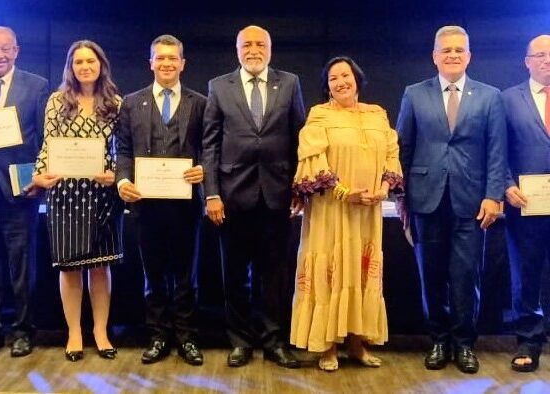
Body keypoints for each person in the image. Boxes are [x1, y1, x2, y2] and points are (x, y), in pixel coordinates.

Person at [396, 25, 507, 374]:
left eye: (459, 50)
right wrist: (401, 197)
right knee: (431, 275)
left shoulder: (490, 96)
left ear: (469, 56)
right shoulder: (414, 94)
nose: (453, 55)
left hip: (472, 203)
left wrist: (493, 195)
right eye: (446, 50)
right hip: (425, 200)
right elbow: (403, 148)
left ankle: (464, 344)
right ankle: (439, 341)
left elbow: (497, 151)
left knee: (465, 276)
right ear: (435, 56)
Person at [289, 56, 403, 371]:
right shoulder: (319, 115)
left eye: (346, 75)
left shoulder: (377, 114)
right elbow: (312, 160)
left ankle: (356, 343)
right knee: (332, 269)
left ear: (357, 79)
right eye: (334, 78)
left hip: (367, 211)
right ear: (327, 86)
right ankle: (327, 345)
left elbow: (392, 153)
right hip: (331, 210)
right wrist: (343, 192)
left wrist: (383, 188)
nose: (341, 82)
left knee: (360, 271)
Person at [202, 25, 305, 368]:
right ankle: (240, 342)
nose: (254, 50)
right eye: (247, 44)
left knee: (274, 275)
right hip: (231, 197)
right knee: (234, 275)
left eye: (260, 44)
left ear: (270, 49)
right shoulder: (219, 86)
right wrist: (211, 194)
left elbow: (299, 138)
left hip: (277, 195)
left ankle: (274, 341)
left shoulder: (289, 83)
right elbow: (210, 145)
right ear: (237, 50)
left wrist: (299, 188)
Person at [116, 34, 205, 366]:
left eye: (173, 58)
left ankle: (187, 337)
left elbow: (210, 148)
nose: (167, 63)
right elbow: (123, 150)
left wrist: (203, 169)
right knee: (153, 276)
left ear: (183, 63)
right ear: (150, 62)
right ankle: (157, 336)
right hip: (146, 205)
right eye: (160, 57)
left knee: (185, 277)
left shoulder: (201, 103)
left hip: (186, 206)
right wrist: (123, 180)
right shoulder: (131, 102)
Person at [32, 40, 123, 362]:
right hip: (65, 193)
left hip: (102, 194)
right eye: (79, 62)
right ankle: (74, 332)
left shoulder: (115, 103)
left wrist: (115, 174)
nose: (85, 67)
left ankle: (100, 331)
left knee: (100, 266)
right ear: (70, 67)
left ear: (101, 65)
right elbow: (48, 145)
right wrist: (39, 175)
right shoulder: (57, 101)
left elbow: (121, 149)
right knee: (69, 268)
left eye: (90, 61)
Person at [0, 26, 49, 357]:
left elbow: (44, 140)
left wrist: (38, 178)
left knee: (22, 266)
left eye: (5, 48)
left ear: (16, 51)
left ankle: (24, 330)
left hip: (19, 189)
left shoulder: (36, 86)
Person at [502, 34, 550, 372]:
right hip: (525, 203)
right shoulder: (507, 99)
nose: (548, 60)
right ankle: (529, 341)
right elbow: (497, 149)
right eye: (541, 55)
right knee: (526, 273)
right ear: (527, 62)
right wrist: (505, 185)